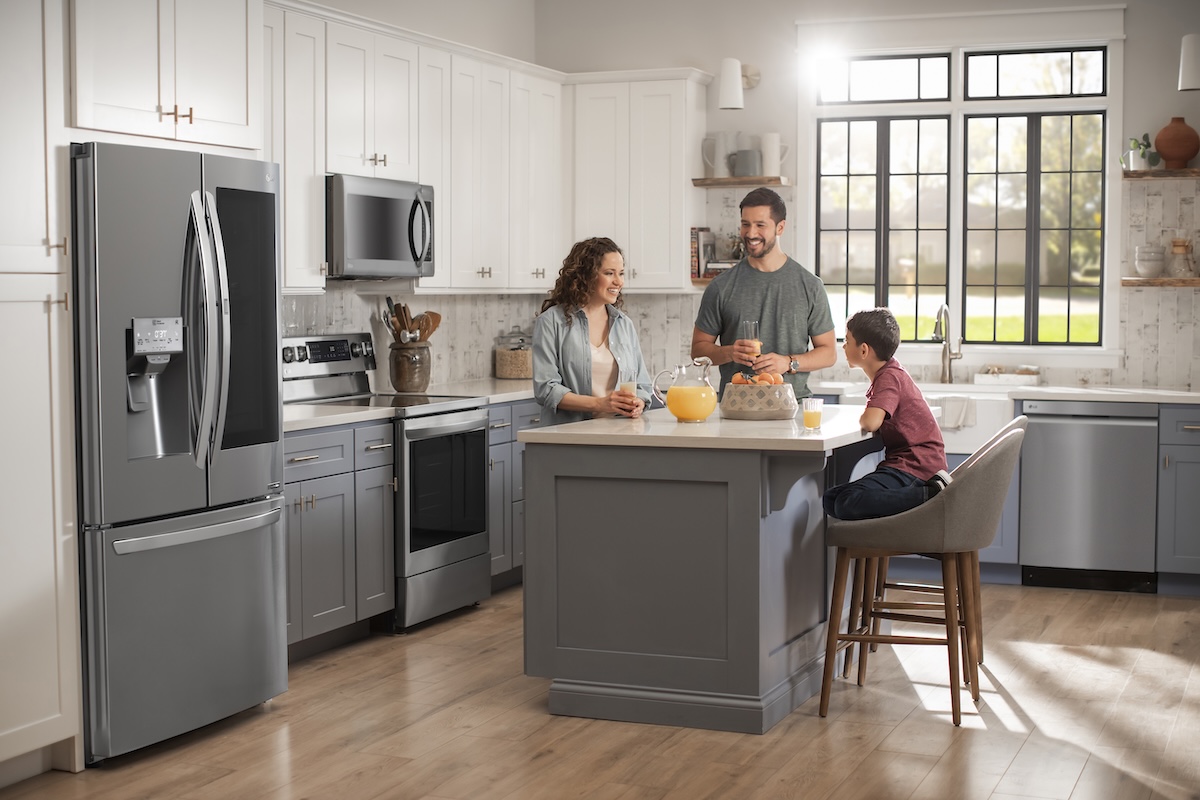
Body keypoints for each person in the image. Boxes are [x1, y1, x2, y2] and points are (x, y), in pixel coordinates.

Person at [691, 187, 837, 397]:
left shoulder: (810, 286)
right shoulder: (721, 287)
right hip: (735, 408)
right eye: (745, 224)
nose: (751, 233)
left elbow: (829, 353)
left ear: (780, 227)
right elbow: (698, 352)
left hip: (792, 408)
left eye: (760, 225)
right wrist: (729, 352)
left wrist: (788, 363)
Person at [822, 308, 951, 521]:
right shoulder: (891, 371)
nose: (843, 346)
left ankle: (929, 495)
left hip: (916, 467)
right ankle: (926, 494)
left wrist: (865, 415)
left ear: (864, 350)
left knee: (846, 500)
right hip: (914, 464)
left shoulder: (888, 377)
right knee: (831, 498)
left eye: (847, 341)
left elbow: (871, 422)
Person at [533, 237, 652, 426]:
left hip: (620, 433)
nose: (619, 281)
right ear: (585, 275)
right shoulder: (551, 322)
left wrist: (640, 401)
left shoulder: (624, 324)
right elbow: (546, 389)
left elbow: (643, 385)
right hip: (570, 435)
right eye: (609, 273)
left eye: (621, 273)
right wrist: (600, 404)